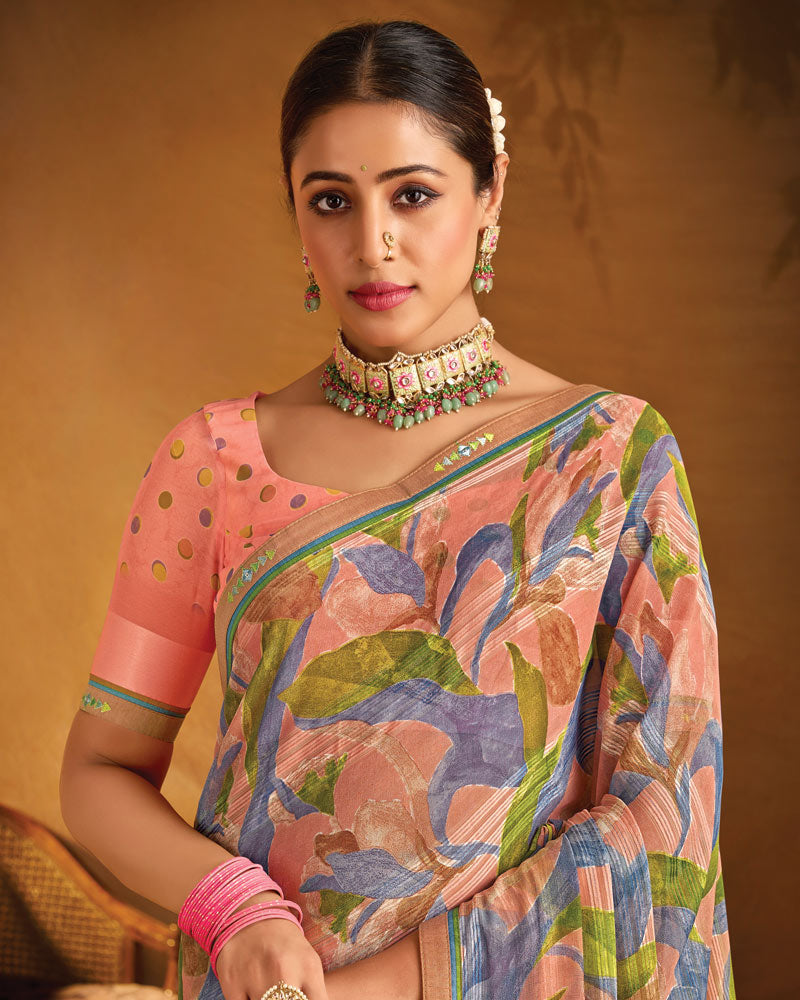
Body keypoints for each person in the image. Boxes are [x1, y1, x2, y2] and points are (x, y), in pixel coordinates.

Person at [60, 19, 735, 1000]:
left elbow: (661, 817)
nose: (371, 244)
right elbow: (100, 771)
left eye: (412, 194)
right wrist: (233, 908)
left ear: (489, 193)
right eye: (331, 200)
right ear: (296, 213)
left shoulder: (612, 458)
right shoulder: (214, 461)